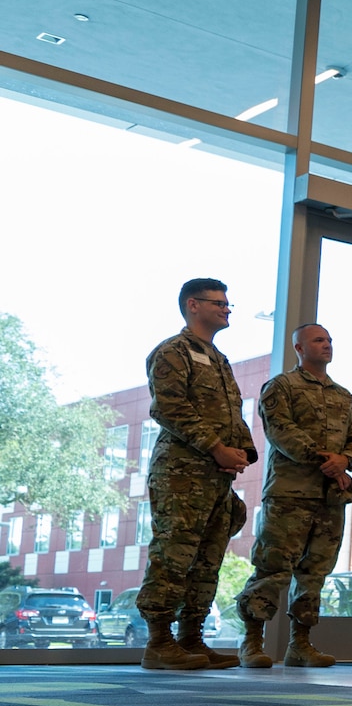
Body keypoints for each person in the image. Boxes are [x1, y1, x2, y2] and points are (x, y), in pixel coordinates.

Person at [136, 278, 257, 671]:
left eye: (227, 304)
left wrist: (243, 451)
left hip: (217, 478)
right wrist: (215, 447)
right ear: (193, 305)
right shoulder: (173, 352)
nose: (226, 309)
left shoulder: (218, 359)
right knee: (174, 554)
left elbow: (232, 416)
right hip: (181, 474)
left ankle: (191, 638)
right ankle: (158, 642)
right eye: (219, 302)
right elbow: (168, 409)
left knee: (207, 561)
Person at [234, 323, 352, 668]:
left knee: (314, 574)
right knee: (272, 569)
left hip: (330, 500)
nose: (327, 345)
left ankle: (300, 645)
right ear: (298, 348)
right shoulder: (281, 387)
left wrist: (346, 461)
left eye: (330, 340)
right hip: (289, 496)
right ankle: (251, 642)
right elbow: (282, 433)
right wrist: (330, 463)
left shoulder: (343, 396)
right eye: (318, 340)